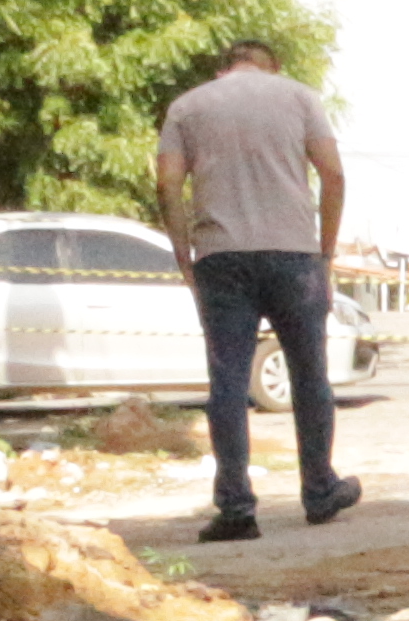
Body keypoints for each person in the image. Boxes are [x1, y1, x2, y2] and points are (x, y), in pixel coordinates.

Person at [151, 37, 356, 542]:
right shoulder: (300, 97)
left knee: (227, 381)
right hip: (293, 255)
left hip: (221, 256)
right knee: (310, 375)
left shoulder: (187, 107)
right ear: (273, 66)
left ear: (223, 69)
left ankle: (236, 508)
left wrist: (184, 254)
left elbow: (166, 185)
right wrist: (324, 254)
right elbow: (332, 174)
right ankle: (319, 490)